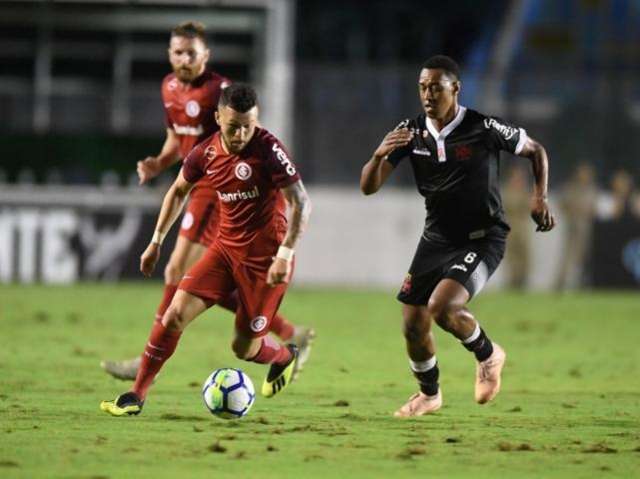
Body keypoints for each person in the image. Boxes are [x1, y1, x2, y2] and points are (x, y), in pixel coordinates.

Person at [101, 22, 314, 381]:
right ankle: (288, 332)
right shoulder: (168, 88)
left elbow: (244, 134)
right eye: (178, 52)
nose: (184, 59)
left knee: (175, 271)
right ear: (169, 54)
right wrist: (157, 162)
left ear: (206, 56)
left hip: (218, 191)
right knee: (197, 279)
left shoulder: (221, 90)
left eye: (192, 53)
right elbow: (178, 143)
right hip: (197, 183)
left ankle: (148, 356)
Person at [360, 55, 555, 417]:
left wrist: (539, 196)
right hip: (436, 238)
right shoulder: (411, 131)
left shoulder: (483, 127)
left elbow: (536, 151)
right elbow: (368, 187)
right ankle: (429, 394)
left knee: (442, 307)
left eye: (436, 87)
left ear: (456, 89)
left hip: (483, 238)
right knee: (413, 324)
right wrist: (377, 155)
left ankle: (488, 354)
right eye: (422, 87)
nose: (428, 95)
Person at [554, 162, 597, 290]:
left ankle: (583, 284)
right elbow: (562, 203)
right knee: (568, 257)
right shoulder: (571, 188)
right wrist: (572, 211)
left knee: (584, 258)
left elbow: (593, 208)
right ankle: (560, 284)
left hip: (587, 229)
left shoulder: (592, 189)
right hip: (573, 227)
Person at [502, 165, 532, 290]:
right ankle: (513, 283)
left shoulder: (525, 192)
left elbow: (529, 208)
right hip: (511, 227)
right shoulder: (506, 192)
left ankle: (522, 282)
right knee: (512, 258)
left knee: (525, 257)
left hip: (522, 228)